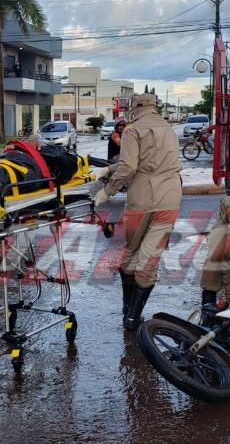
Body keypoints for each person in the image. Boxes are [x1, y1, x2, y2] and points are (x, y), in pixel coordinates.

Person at [89, 93, 183, 331]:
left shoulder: (132, 129)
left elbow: (130, 166)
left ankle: (128, 312)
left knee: (132, 252)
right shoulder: (169, 128)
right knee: (150, 257)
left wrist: (107, 191)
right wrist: (109, 169)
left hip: (141, 198)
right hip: (170, 197)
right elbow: (147, 159)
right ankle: (132, 315)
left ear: (135, 108)